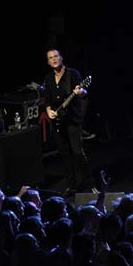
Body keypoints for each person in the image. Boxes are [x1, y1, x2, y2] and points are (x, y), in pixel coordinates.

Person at [43, 49, 90, 196]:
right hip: (58, 121)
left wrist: (79, 92)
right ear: (48, 62)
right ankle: (71, 184)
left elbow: (84, 93)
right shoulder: (49, 78)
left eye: (56, 56)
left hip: (72, 119)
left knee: (77, 152)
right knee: (64, 153)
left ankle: (87, 180)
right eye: (50, 58)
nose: (54, 59)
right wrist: (49, 110)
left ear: (61, 58)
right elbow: (47, 99)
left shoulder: (72, 74)